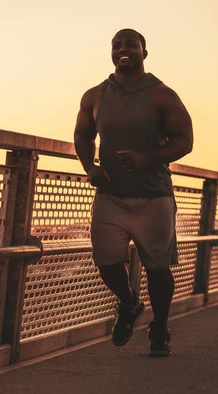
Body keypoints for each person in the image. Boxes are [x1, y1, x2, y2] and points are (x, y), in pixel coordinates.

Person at [73, 28, 193, 357]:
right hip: (110, 195)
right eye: (117, 45)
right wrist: (90, 168)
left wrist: (148, 158)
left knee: (157, 268)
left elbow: (185, 140)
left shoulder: (162, 94)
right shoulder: (95, 95)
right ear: (111, 53)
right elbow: (83, 135)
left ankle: (160, 329)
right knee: (105, 260)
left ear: (144, 52)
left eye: (130, 44)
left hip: (153, 196)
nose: (123, 49)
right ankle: (129, 302)